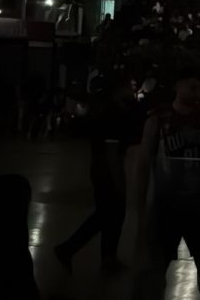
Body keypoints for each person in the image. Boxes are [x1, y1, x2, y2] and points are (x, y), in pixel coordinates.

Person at [132, 68, 200, 300]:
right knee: (157, 266)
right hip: (167, 204)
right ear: (177, 86)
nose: (196, 91)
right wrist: (141, 209)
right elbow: (143, 165)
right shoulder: (158, 119)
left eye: (199, 86)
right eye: (191, 86)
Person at [54, 77, 140, 274]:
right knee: (108, 215)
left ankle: (104, 257)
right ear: (118, 91)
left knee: (109, 215)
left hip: (102, 168)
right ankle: (70, 249)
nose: (132, 90)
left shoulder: (108, 110)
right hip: (107, 169)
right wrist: (119, 180)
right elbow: (112, 149)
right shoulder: (113, 114)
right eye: (129, 86)